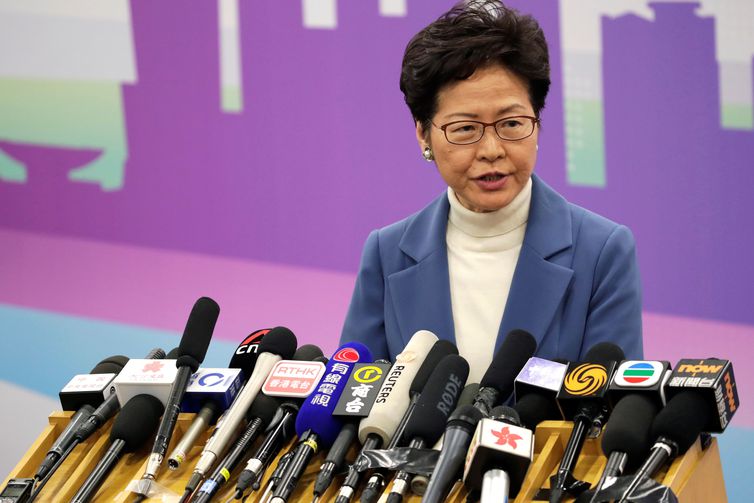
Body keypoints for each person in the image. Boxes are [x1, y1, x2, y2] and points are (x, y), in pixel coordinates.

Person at [339, 0, 642, 382]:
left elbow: (612, 412)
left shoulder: (601, 251)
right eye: (465, 128)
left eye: (512, 123)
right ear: (423, 134)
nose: (492, 150)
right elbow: (352, 397)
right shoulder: (387, 254)